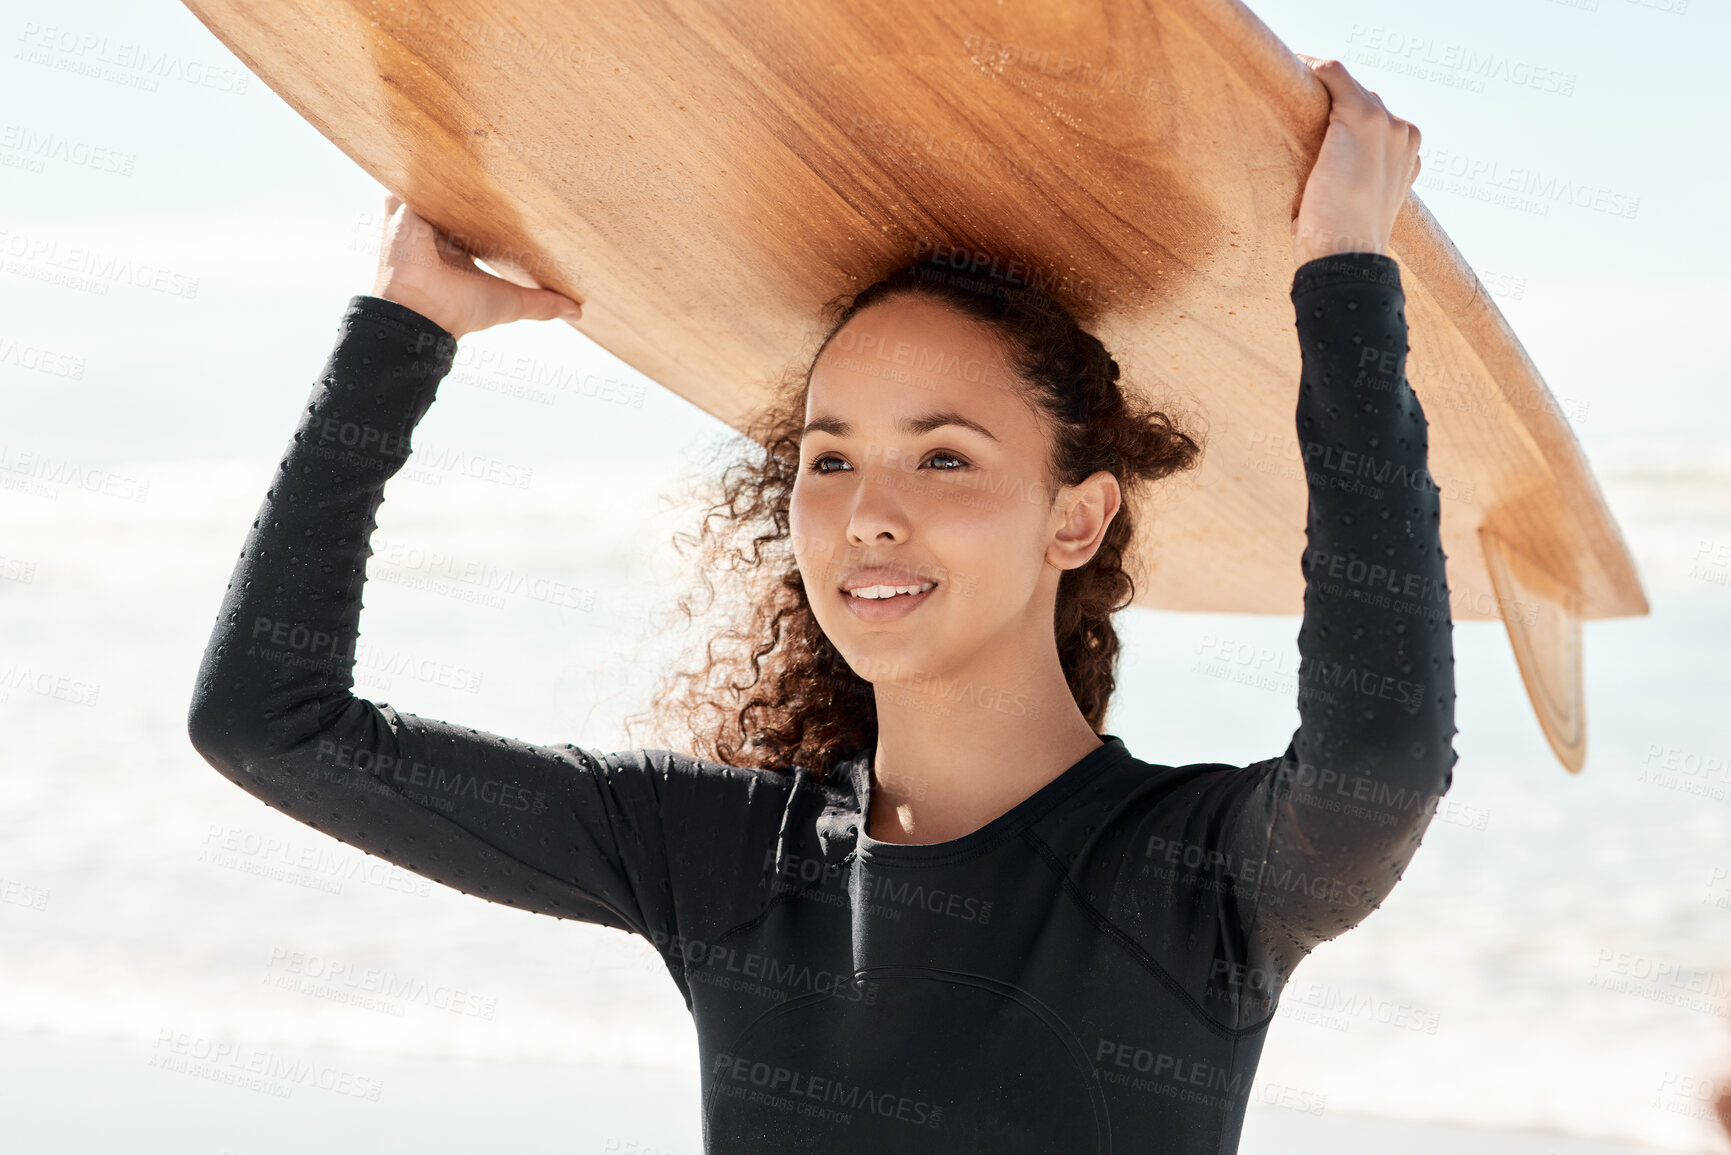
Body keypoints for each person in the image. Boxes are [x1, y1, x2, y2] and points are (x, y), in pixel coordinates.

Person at [188, 57, 1452, 1153]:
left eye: (944, 456)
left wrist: (1345, 278)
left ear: (1077, 516)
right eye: (830, 458)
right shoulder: (725, 859)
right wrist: (403, 331)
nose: (868, 512)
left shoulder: (1193, 876)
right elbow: (267, 722)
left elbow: (1378, 766)